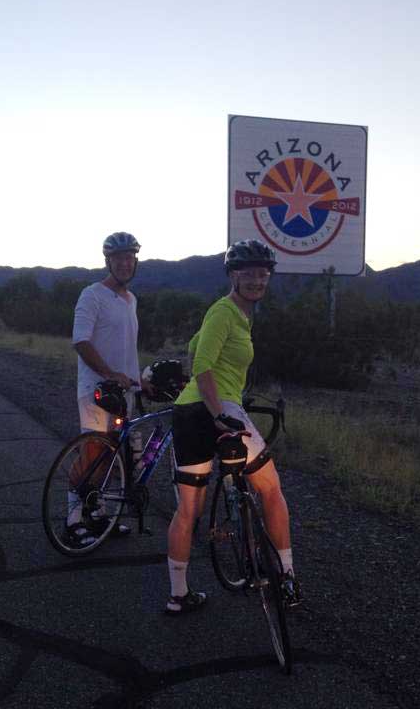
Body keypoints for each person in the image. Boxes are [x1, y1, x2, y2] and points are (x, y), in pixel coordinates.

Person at [164, 239, 301, 614]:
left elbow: (195, 348)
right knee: (271, 489)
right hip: (216, 408)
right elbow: (202, 367)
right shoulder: (225, 312)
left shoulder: (230, 315)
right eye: (249, 273)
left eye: (263, 273)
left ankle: (178, 595)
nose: (258, 280)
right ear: (233, 275)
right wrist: (220, 412)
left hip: (190, 413)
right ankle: (288, 577)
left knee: (189, 508)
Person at [69, 231, 149, 548]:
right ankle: (72, 520)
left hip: (123, 393)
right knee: (92, 455)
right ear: (108, 262)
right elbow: (81, 341)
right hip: (96, 390)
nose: (125, 263)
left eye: (130, 258)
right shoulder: (92, 295)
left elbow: (126, 349)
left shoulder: (131, 301)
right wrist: (109, 373)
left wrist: (138, 380)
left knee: (112, 459)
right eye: (119, 258)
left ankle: (99, 516)